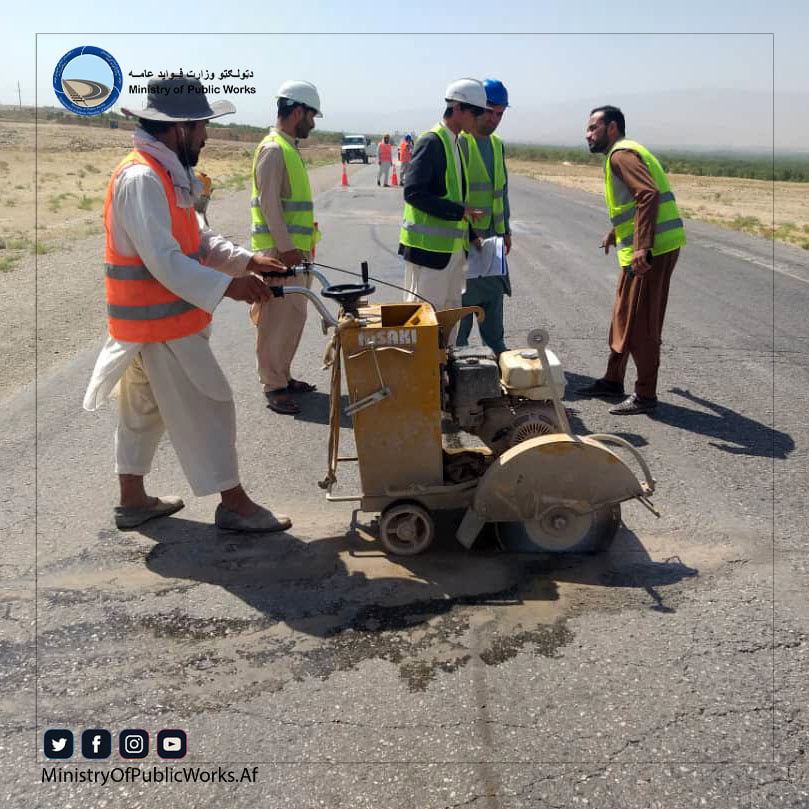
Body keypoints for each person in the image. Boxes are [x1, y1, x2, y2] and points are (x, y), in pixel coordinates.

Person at [83, 77, 292, 533]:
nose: (205, 135)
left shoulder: (166, 174)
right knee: (211, 404)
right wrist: (228, 287)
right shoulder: (143, 178)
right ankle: (234, 504)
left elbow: (197, 239)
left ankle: (133, 500)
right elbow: (166, 261)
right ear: (179, 128)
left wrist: (245, 261)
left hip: (149, 326)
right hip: (162, 327)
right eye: (201, 126)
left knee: (141, 411)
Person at [577, 105, 686, 414]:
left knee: (641, 323)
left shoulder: (620, 155)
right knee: (623, 316)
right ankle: (613, 380)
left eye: (594, 128)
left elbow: (648, 195)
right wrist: (616, 231)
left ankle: (645, 395)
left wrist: (643, 246)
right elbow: (634, 204)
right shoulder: (624, 153)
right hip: (643, 249)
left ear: (612, 128)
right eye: (588, 128)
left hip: (652, 252)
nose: (588, 134)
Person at [250, 80, 323, 415]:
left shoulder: (289, 148)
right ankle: (273, 385)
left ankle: (284, 374)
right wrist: (287, 247)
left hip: (294, 253)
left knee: (293, 318)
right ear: (297, 111)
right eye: (311, 115)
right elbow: (270, 206)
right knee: (275, 322)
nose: (313, 122)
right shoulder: (273, 149)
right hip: (278, 256)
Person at [398, 79, 487, 338]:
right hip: (428, 253)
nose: (479, 119)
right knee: (422, 320)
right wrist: (458, 211)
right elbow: (413, 193)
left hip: (450, 252)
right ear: (458, 108)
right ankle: (420, 374)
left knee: (447, 316)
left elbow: (454, 196)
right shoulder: (432, 142)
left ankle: (439, 372)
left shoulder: (455, 143)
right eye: (476, 113)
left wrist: (470, 234)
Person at [456, 78, 513, 357]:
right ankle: (458, 355)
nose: (494, 119)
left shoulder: (498, 145)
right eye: (490, 111)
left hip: (493, 238)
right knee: (464, 300)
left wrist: (506, 231)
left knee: (493, 297)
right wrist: (468, 233)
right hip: (466, 240)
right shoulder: (460, 143)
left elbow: (501, 192)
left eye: (500, 113)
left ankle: (497, 352)